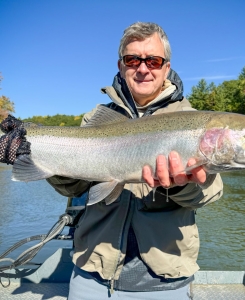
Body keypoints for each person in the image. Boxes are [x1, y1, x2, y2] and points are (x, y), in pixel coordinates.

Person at [47, 22, 223, 300]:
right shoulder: (95, 118)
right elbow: (72, 188)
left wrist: (179, 186)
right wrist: (37, 157)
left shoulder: (195, 123)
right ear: (121, 66)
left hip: (166, 282)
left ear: (166, 68)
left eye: (153, 60)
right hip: (91, 275)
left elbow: (210, 193)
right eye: (133, 60)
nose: (143, 68)